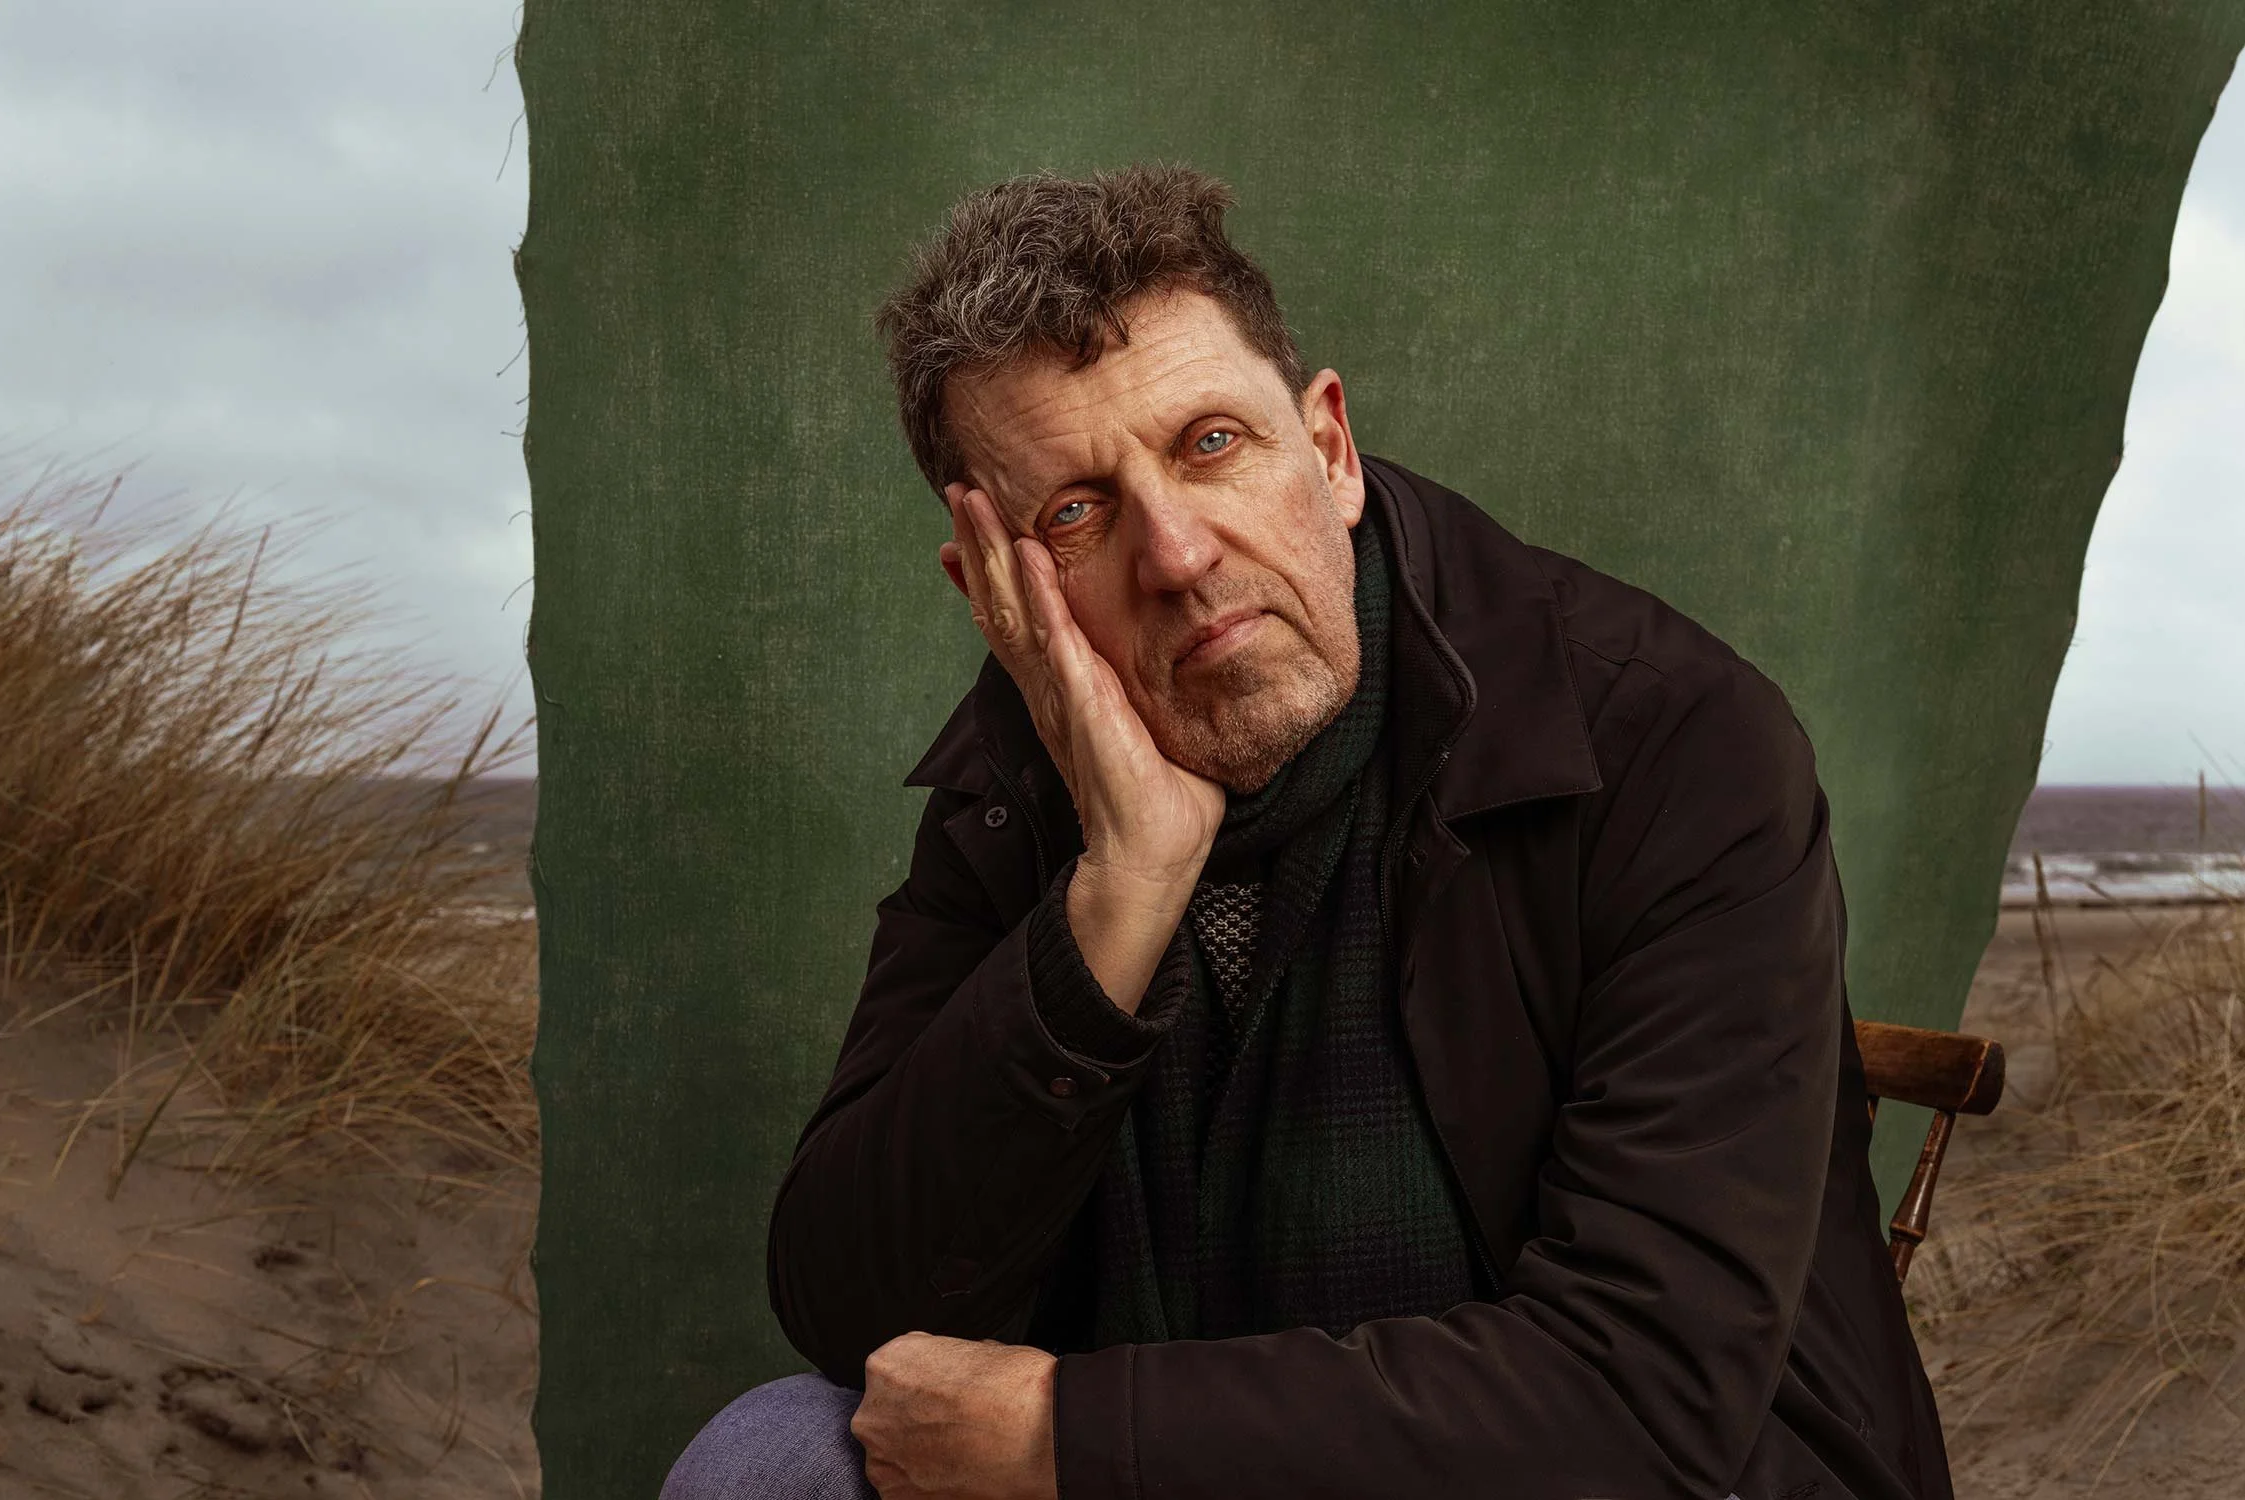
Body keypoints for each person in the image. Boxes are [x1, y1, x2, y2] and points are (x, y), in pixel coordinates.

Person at [663, 162, 1953, 1500]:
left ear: (1328, 449)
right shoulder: (1021, 784)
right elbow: (855, 1308)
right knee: (773, 1458)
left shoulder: (1670, 742)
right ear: (994, 594)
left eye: (1211, 444)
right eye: (1076, 513)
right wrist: (1117, 897)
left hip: (1617, 1477)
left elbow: (1645, 1398)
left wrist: (1071, 1434)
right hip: (1215, 1462)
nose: (1178, 555)